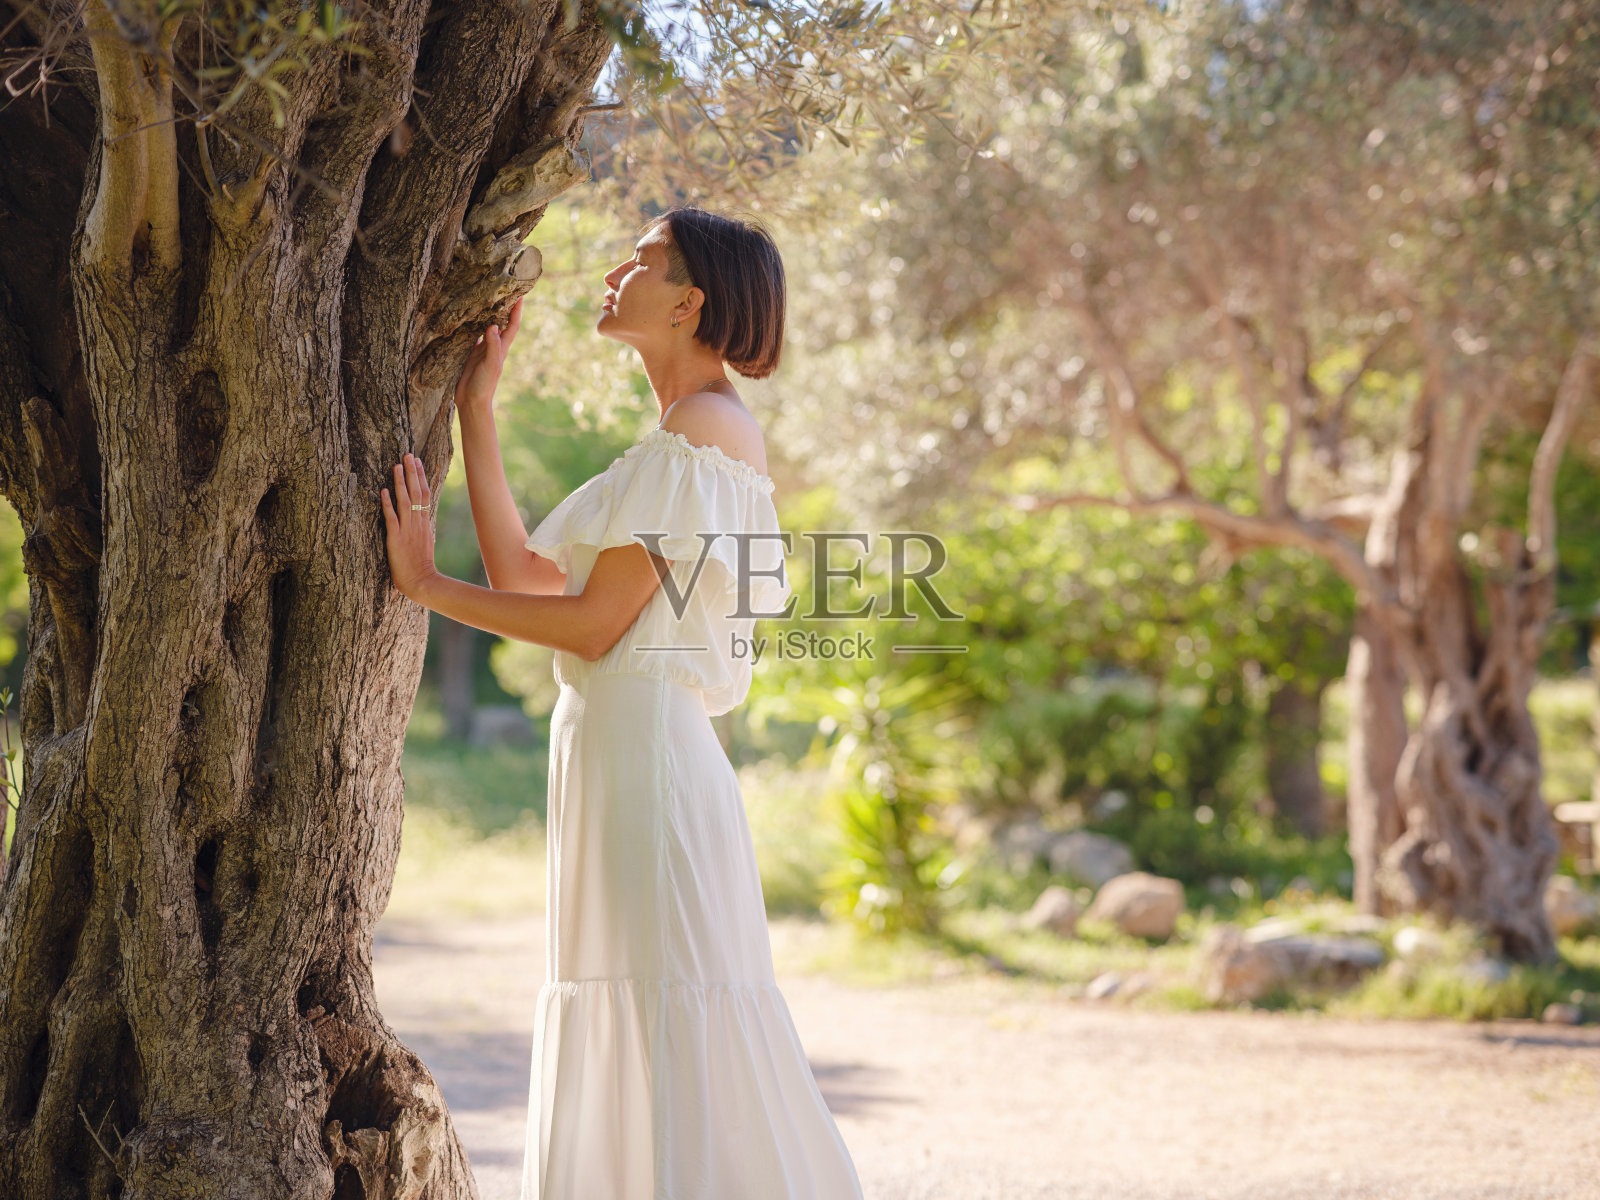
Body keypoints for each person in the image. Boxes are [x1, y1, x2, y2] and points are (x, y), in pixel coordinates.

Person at [379, 206, 865, 1199]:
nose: (615, 272)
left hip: (647, 751)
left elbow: (595, 627)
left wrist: (426, 586)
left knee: (663, 1007)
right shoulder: (673, 438)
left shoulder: (705, 432)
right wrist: (480, 405)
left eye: (640, 262)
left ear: (689, 301)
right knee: (631, 1007)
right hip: (611, 746)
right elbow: (525, 574)